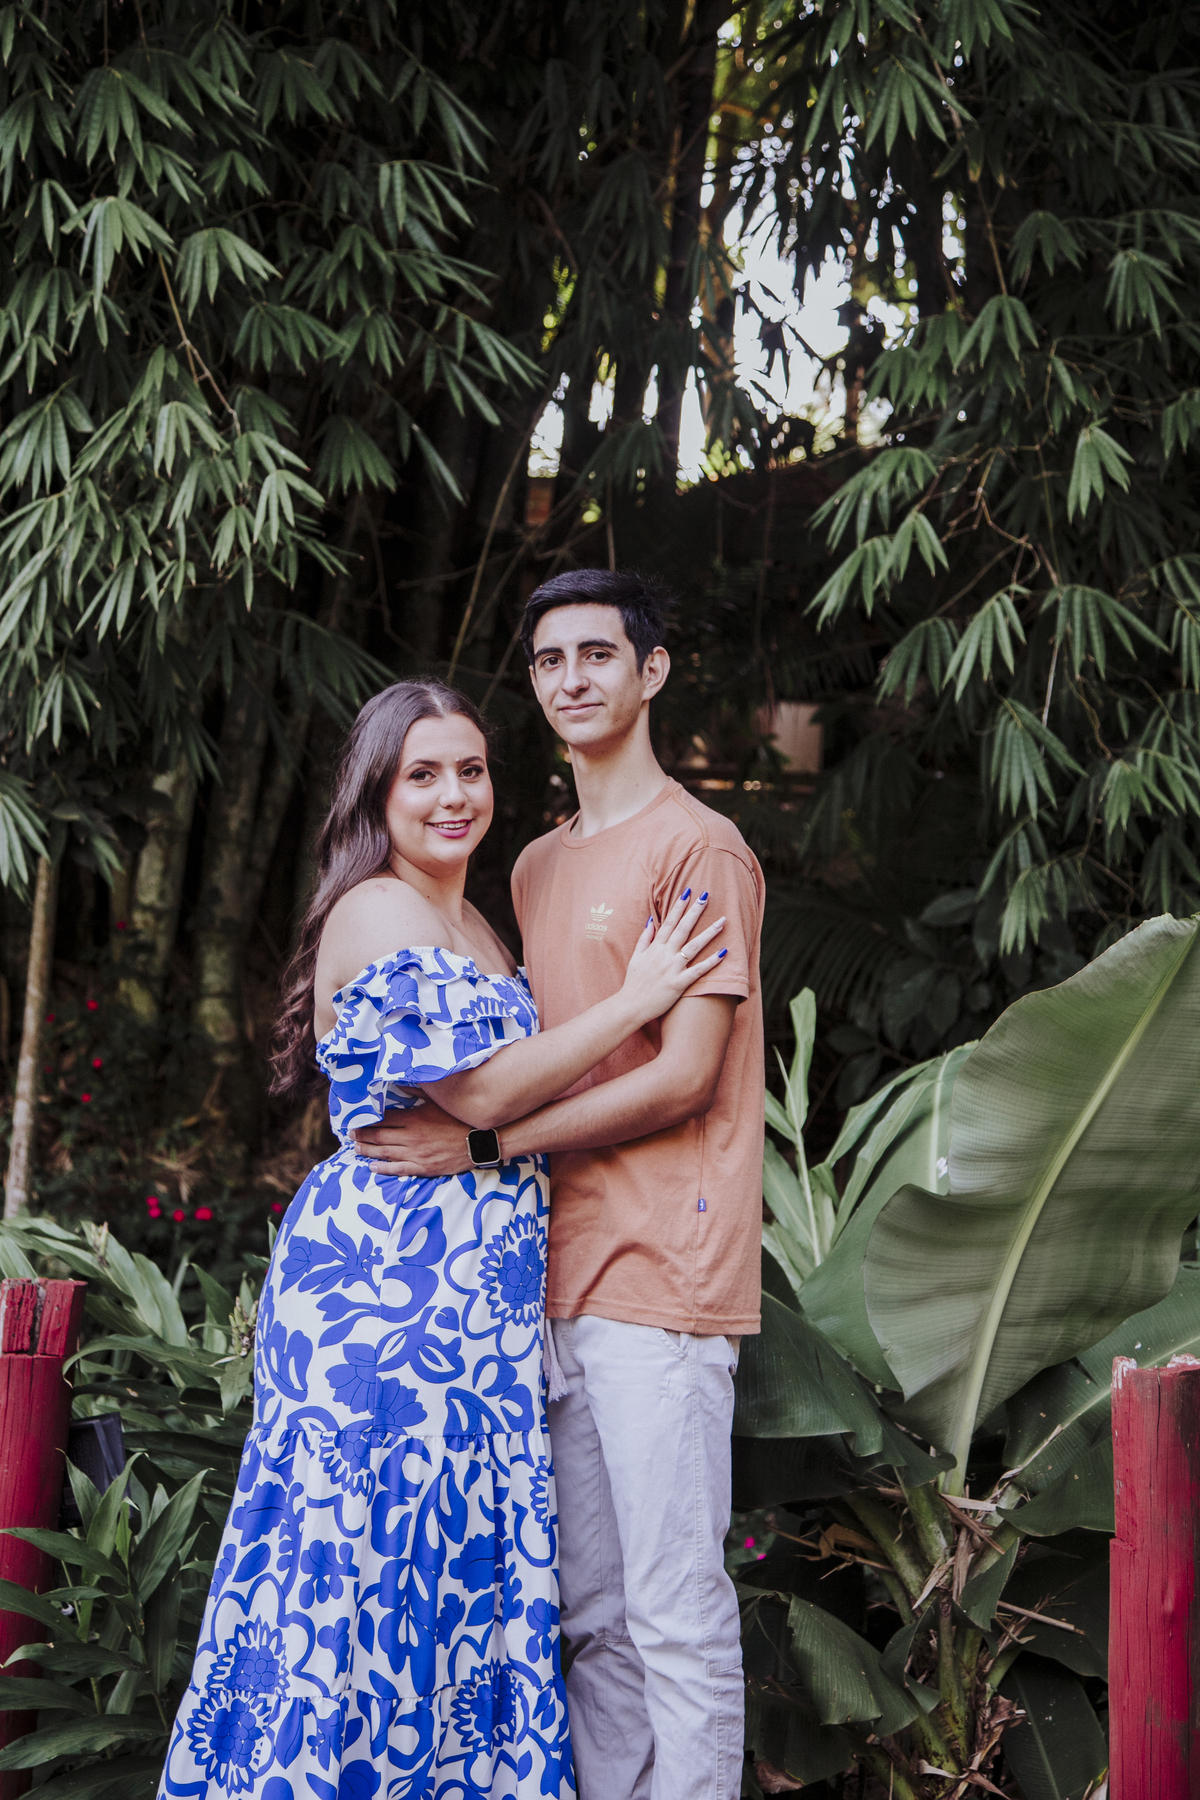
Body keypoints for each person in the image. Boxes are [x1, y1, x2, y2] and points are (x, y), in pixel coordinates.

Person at [158, 678, 727, 1800]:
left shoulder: (475, 920)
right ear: (377, 791)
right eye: (422, 774)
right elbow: (482, 1093)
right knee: (368, 1568)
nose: (453, 794)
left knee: (450, 1570)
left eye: (470, 769)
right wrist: (637, 998)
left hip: (475, 1306)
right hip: (388, 1294)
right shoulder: (379, 909)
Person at [356, 571, 766, 1800]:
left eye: (598, 653)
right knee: (590, 1617)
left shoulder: (700, 846)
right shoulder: (533, 866)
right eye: (548, 660)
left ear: (652, 671)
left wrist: (488, 1147)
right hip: (548, 1282)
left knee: (674, 1613)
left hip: (664, 1276)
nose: (572, 678)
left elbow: (685, 1075)